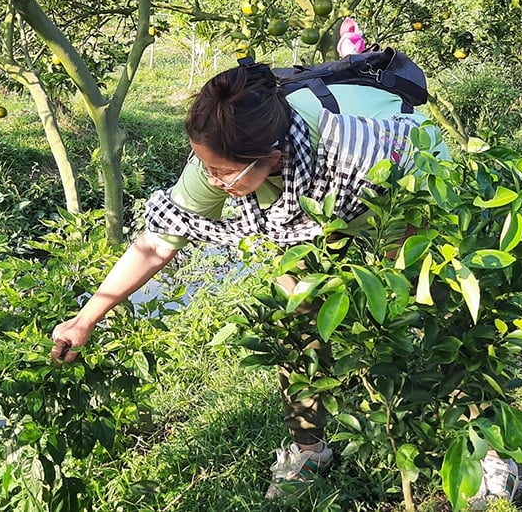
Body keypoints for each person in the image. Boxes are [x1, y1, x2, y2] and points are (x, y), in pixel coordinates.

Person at [48, 57, 457, 498]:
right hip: (311, 218)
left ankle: (480, 441)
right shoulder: (225, 153)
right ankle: (309, 448)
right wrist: (86, 319)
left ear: (273, 157)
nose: (213, 181)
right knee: (296, 320)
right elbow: (157, 243)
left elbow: (416, 219)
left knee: (438, 310)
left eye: (223, 172)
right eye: (206, 167)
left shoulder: (357, 147)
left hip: (401, 191)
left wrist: (391, 282)